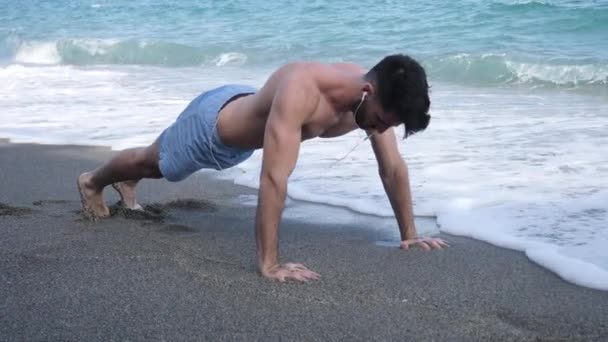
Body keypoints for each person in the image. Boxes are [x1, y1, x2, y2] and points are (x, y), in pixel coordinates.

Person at [77, 54, 448, 282]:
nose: (381, 130)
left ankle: (127, 184)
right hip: (212, 130)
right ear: (368, 91)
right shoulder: (303, 90)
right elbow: (273, 178)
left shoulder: (366, 101)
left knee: (153, 164)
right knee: (154, 163)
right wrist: (268, 264)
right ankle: (93, 181)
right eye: (383, 120)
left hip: (247, 121)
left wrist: (410, 233)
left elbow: (393, 168)